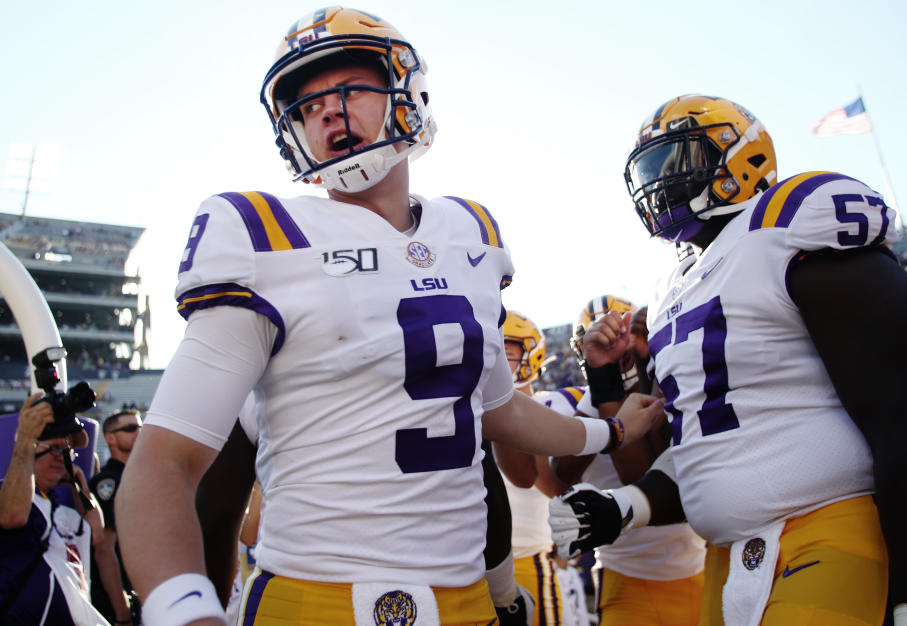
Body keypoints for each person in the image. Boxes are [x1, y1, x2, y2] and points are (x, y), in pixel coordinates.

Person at [115, 8, 663, 626]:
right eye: (305, 105)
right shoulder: (263, 235)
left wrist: (614, 433)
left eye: (347, 89)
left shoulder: (471, 235)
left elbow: (499, 409)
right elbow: (164, 460)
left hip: (466, 601)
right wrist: (183, 611)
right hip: (315, 601)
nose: (325, 111)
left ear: (408, 91)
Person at [550, 94, 907, 625]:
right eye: (651, 169)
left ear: (742, 159)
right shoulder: (676, 286)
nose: (659, 182)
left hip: (831, 533)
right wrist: (628, 505)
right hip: (727, 563)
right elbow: (709, 444)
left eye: (677, 162)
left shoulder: (788, 222)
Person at [553, 297, 705, 626]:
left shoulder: (668, 386)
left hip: (699, 567)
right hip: (628, 574)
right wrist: (603, 396)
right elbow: (562, 473)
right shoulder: (586, 402)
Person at [492, 310, 586, 626]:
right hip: (475, 563)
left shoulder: (554, 404)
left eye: (503, 353)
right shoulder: (471, 409)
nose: (491, 361)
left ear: (531, 356)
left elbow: (554, 485)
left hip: (529, 557)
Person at [0, 392, 108, 624]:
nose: (62, 458)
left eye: (67, 451)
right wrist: (25, 440)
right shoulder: (10, 497)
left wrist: (79, 483)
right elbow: (13, 515)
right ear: (30, 448)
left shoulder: (59, 506)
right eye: (54, 449)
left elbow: (96, 534)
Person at [90, 408, 143, 625]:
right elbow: (104, 549)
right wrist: (121, 611)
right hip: (115, 605)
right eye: (130, 428)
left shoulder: (137, 477)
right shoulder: (109, 483)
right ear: (110, 438)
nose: (138, 433)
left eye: (141, 427)